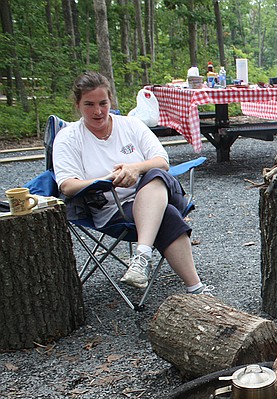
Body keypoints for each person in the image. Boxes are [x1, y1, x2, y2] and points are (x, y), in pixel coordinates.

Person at [53, 72, 211, 295]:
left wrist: (135, 169)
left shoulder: (131, 125)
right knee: (166, 214)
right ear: (78, 103)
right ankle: (196, 289)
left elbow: (162, 161)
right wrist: (109, 179)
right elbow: (67, 186)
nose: (97, 111)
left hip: (164, 192)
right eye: (89, 104)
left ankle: (141, 256)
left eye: (103, 103)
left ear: (111, 101)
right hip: (115, 209)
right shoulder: (69, 138)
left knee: (156, 174)